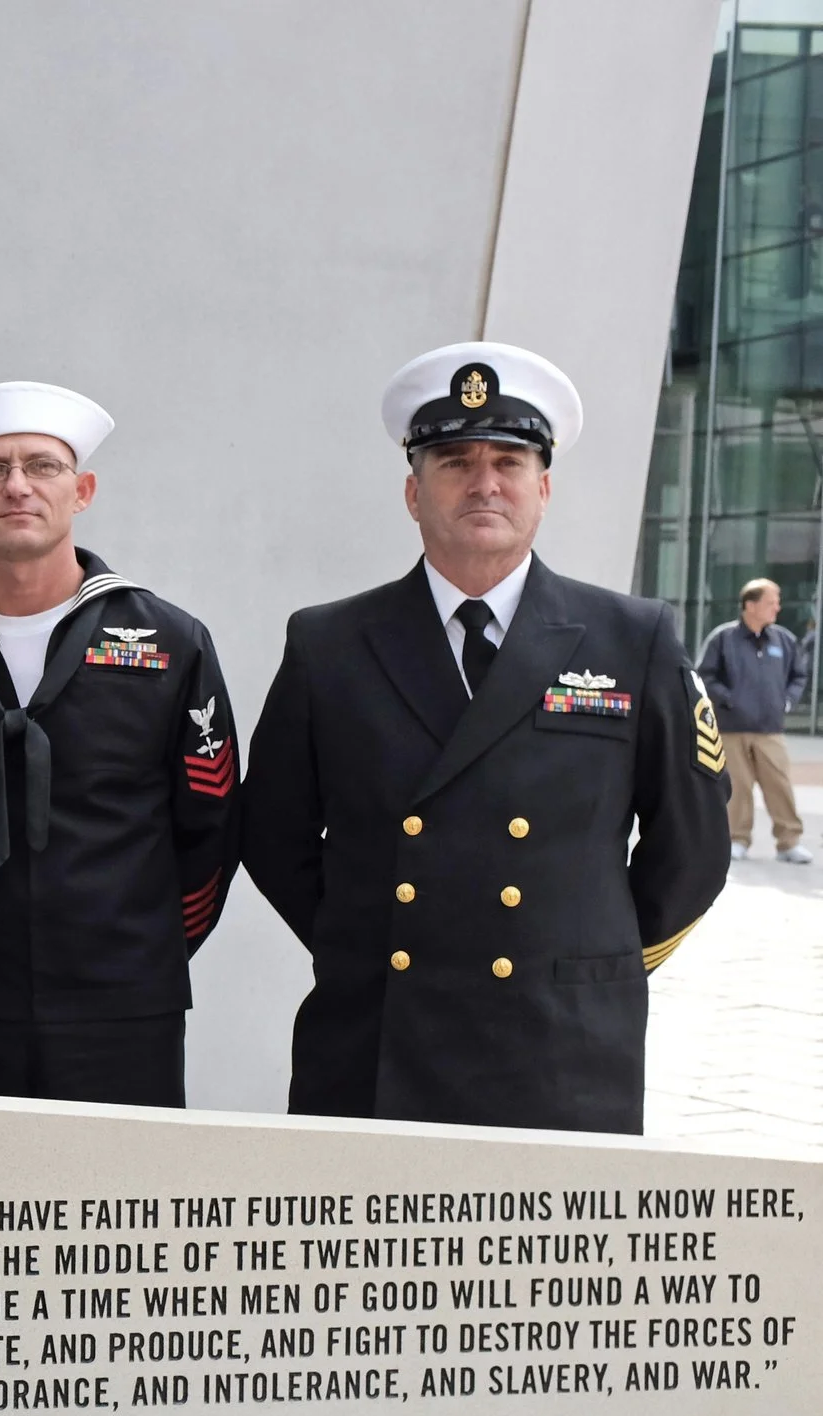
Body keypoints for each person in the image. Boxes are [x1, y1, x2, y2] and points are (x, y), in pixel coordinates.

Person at [242, 342, 731, 1134]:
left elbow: (695, 845)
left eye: (508, 460)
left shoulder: (631, 638)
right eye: (454, 461)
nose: (483, 481)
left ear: (543, 489)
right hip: (377, 1041)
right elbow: (271, 833)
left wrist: (586, 962)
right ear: (412, 490)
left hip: (562, 1045)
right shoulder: (328, 642)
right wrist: (369, 939)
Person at [0, 383, 239, 1107]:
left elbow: (213, 826)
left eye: (42, 466)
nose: (17, 486)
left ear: (83, 490)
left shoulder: (169, 643)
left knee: (120, 1210)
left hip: (126, 1008)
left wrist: (140, 949)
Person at [697, 576, 811, 864]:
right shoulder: (723, 638)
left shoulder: (783, 640)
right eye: (771, 602)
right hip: (732, 729)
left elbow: (798, 675)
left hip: (770, 729)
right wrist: (730, 699)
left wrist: (786, 701)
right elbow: (705, 675)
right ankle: (737, 840)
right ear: (750, 605)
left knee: (780, 785)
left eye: (777, 602)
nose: (777, 608)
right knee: (737, 787)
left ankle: (788, 843)